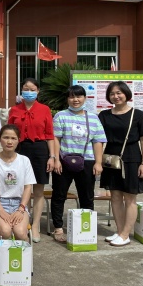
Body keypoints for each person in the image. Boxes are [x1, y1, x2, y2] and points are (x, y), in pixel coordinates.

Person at [98, 81, 143, 247]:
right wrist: (98, 161)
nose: (116, 96)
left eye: (119, 93)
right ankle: (120, 231)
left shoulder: (138, 115)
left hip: (131, 159)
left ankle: (125, 234)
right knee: (115, 196)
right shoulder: (104, 115)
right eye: (112, 93)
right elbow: (98, 140)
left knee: (130, 197)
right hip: (111, 160)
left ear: (126, 94)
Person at [51, 86, 107, 242]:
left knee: (87, 196)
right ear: (67, 99)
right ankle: (58, 227)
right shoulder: (61, 116)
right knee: (59, 195)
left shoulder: (93, 118)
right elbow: (56, 139)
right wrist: (56, 159)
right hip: (64, 160)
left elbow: (98, 141)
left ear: (85, 98)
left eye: (79, 96)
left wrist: (98, 162)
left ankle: (85, 227)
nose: (75, 100)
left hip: (87, 161)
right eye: (71, 97)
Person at [7, 77, 54, 242]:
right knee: (21, 188)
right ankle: (22, 222)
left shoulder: (45, 109)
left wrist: (52, 156)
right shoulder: (14, 110)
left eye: (32, 89)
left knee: (38, 189)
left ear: (38, 91)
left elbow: (50, 135)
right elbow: (9, 133)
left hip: (40, 150)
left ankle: (35, 225)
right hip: (20, 149)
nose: (29, 92)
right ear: (21, 91)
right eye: (26, 89)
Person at [0, 125, 35, 241]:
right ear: (0, 139)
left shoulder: (24, 160)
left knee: (20, 233)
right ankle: (2, 253)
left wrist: (21, 209)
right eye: (6, 137)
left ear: (18, 140)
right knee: (5, 231)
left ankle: (22, 253)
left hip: (19, 204)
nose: (9, 142)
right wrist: (1, 210)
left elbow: (28, 187)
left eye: (13, 138)